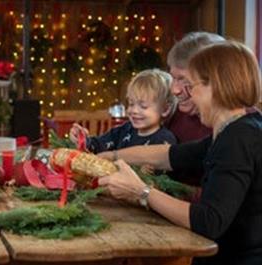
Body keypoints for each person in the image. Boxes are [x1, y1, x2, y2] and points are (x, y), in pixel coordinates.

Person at [98, 41, 262, 265]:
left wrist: (141, 192)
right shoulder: (238, 128)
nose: (188, 95)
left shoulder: (238, 139)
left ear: (216, 86)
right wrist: (113, 156)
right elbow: (170, 155)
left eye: (192, 86)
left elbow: (209, 220)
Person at [99, 32, 226, 186]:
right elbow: (163, 154)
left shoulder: (232, 129)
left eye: (184, 79)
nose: (174, 90)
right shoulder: (174, 112)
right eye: (173, 78)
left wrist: (144, 192)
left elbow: (211, 205)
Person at [69, 69, 177, 156]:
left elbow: (160, 179)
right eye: (131, 104)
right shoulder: (123, 130)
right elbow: (97, 145)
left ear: (165, 109)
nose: (133, 110)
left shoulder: (164, 140)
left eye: (143, 106)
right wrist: (82, 139)